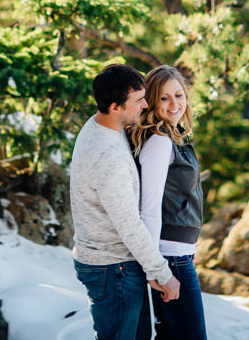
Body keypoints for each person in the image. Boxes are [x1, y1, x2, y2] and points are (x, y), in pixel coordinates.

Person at [71, 63, 181, 340]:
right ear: (114, 106)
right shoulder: (108, 156)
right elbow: (129, 224)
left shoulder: (101, 125)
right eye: (138, 100)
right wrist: (162, 273)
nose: (146, 105)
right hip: (113, 269)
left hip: (113, 266)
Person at [128, 64, 207, 340]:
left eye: (179, 95)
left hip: (178, 254)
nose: (174, 103)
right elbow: (148, 210)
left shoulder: (176, 136)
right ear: (151, 101)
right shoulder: (160, 143)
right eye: (164, 98)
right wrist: (157, 270)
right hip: (170, 257)